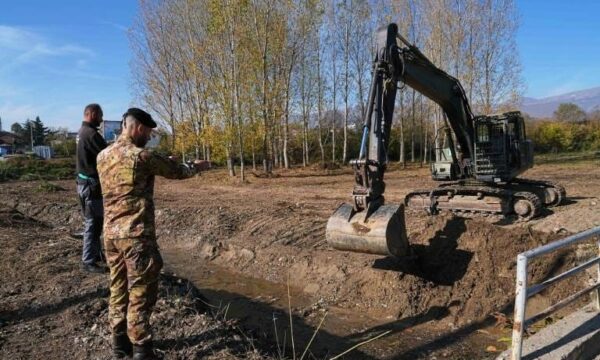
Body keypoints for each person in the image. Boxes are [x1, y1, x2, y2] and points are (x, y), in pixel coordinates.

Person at [97, 108, 208, 359]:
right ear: (137, 128)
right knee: (140, 292)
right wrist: (198, 166)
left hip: (111, 236)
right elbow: (177, 171)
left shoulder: (102, 156)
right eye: (148, 132)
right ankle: (141, 349)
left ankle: (119, 344)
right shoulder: (141, 156)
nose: (149, 136)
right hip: (136, 237)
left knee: (117, 286)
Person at [76, 103, 108, 273]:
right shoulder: (91, 134)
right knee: (93, 223)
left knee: (95, 221)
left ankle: (95, 255)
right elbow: (108, 154)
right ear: (92, 114)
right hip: (90, 186)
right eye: (100, 115)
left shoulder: (82, 132)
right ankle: (88, 261)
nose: (102, 119)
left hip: (83, 184)